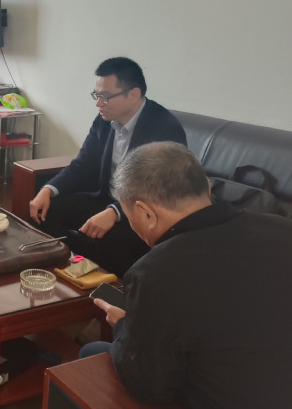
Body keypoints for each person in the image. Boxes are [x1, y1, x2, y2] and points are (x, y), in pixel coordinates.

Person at [81, 142, 292, 409]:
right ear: (205, 186)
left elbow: (150, 386)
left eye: (129, 215)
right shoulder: (282, 230)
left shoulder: (157, 272)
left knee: (91, 355)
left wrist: (123, 325)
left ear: (146, 212)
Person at [29, 57, 186, 277]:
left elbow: (158, 189)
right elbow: (83, 164)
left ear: (134, 94)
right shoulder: (104, 121)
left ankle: (106, 288)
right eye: (97, 95)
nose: (98, 103)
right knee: (47, 210)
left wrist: (115, 212)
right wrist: (47, 190)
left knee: (108, 238)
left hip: (142, 213)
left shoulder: (164, 128)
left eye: (105, 97)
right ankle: (63, 274)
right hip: (105, 199)